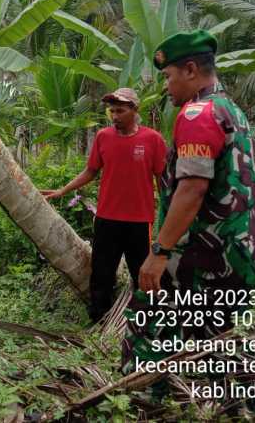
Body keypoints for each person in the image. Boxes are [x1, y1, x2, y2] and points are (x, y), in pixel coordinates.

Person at [122, 30, 255, 372]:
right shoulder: (232, 111)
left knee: (150, 325)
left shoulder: (197, 114)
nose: (166, 87)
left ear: (190, 70)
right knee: (221, 341)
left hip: (201, 258)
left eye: (169, 77)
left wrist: (159, 253)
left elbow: (192, 189)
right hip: (240, 254)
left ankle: (141, 399)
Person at [41, 88, 167, 322]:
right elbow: (90, 171)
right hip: (107, 219)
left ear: (134, 110)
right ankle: (99, 321)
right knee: (101, 274)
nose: (115, 116)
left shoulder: (153, 140)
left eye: (120, 111)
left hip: (140, 221)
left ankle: (146, 323)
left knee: (142, 272)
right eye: (112, 112)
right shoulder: (103, 137)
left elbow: (162, 180)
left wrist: (167, 215)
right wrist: (63, 190)